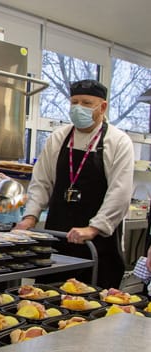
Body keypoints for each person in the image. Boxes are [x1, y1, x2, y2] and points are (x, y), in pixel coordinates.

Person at [15, 79, 134, 289]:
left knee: (96, 306)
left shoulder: (118, 141)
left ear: (103, 107)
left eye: (87, 103)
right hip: (58, 240)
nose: (79, 108)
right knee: (49, 301)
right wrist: (30, 217)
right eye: (74, 102)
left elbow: (120, 192)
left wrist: (94, 228)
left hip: (97, 243)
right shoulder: (59, 137)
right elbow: (41, 182)